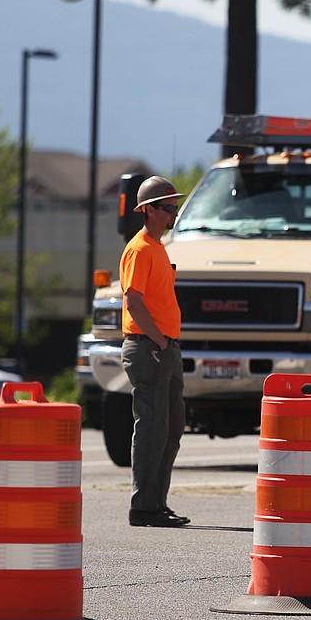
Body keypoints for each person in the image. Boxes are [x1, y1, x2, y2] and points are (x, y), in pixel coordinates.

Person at [120, 176, 189, 528]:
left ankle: (156, 503)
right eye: (167, 207)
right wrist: (160, 342)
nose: (173, 212)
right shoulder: (140, 249)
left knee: (171, 427)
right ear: (147, 211)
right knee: (151, 428)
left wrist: (168, 345)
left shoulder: (158, 248)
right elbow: (133, 300)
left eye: (175, 207)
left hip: (164, 349)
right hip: (150, 349)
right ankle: (144, 507)